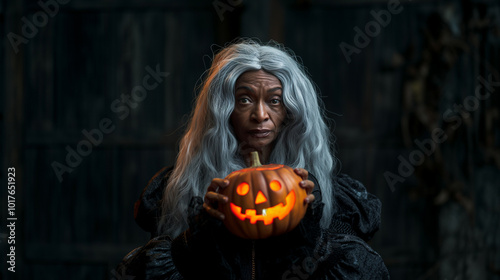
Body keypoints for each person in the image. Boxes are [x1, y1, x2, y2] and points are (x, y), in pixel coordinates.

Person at [116, 39, 390, 279]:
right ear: (223, 111)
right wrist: (198, 238)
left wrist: (309, 234)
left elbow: (359, 270)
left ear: (290, 113)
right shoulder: (179, 190)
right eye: (245, 100)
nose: (260, 115)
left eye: (274, 101)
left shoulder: (329, 197)